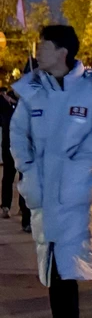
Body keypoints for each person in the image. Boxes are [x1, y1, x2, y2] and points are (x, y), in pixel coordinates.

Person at [10, 25, 92, 318]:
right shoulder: (32, 87)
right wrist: (27, 167)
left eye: (43, 47)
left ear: (62, 52)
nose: (37, 52)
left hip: (76, 189)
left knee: (67, 265)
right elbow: (18, 132)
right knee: (53, 262)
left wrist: (82, 164)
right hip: (41, 187)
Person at [1, 87, 30, 230]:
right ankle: (8, 206)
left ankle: (22, 212)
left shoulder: (26, 105)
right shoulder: (7, 106)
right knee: (13, 177)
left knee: (19, 179)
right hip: (12, 147)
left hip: (18, 147)